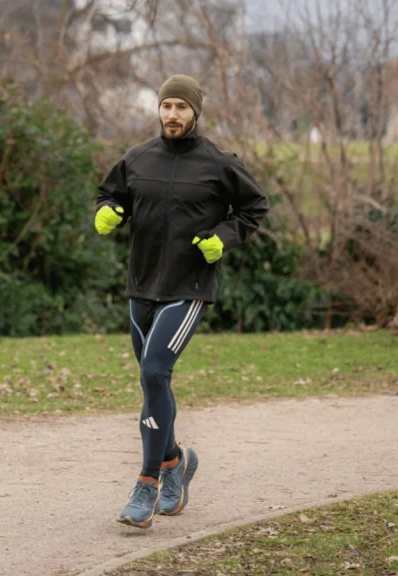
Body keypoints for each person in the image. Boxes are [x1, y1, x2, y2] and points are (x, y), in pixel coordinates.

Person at [95, 74, 269, 529]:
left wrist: (224, 238)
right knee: (152, 383)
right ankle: (176, 463)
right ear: (159, 110)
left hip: (187, 288)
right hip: (141, 286)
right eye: (166, 105)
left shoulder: (217, 163)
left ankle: (147, 483)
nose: (172, 114)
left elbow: (255, 208)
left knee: (155, 372)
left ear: (195, 113)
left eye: (181, 107)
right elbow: (111, 192)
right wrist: (108, 211)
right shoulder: (137, 158)